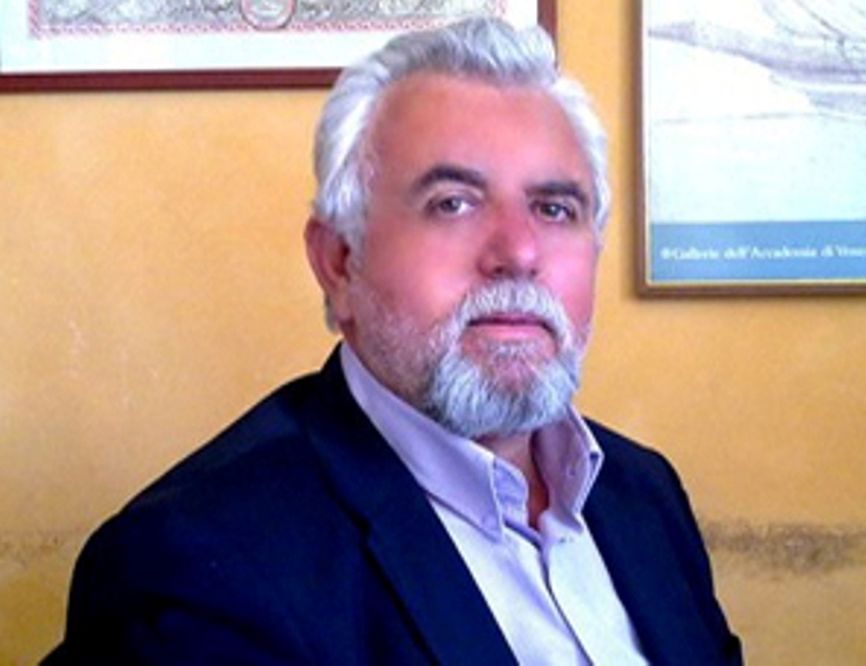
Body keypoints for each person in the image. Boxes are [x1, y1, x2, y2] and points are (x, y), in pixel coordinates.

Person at [44, 18, 741, 665]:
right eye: (453, 203)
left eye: (555, 209)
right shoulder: (193, 569)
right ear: (339, 261)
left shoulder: (641, 493)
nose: (519, 252)